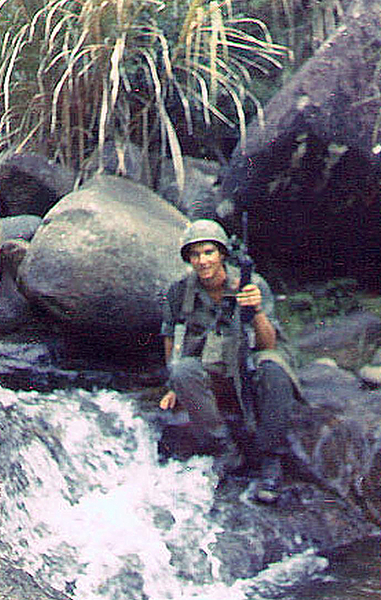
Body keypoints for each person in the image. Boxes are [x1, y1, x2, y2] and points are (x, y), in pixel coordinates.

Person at [159, 219, 302, 502]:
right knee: (182, 370)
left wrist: (255, 309)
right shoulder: (179, 292)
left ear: (222, 254)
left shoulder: (252, 283)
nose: (202, 261)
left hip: (250, 361)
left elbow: (268, 344)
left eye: (208, 252)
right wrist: (173, 385)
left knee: (274, 368)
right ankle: (224, 447)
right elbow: (172, 339)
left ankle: (270, 459)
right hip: (214, 367)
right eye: (195, 254)